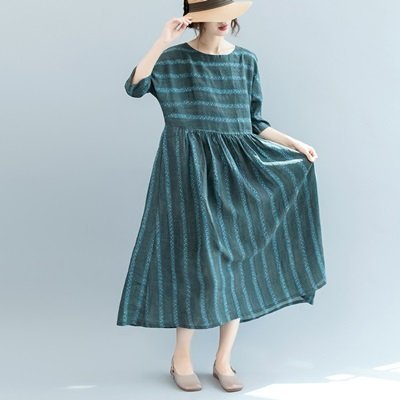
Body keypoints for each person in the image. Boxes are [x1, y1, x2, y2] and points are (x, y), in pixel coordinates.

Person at [116, 0, 327, 393]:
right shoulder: (174, 60)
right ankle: (181, 357)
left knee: (235, 262)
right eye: (216, 12)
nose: (226, 20)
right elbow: (134, 86)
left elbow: (254, 122)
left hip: (237, 172)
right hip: (187, 172)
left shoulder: (246, 61)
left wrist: (295, 144)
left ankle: (223, 360)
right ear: (197, 18)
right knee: (194, 262)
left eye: (229, 12)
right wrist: (161, 41)